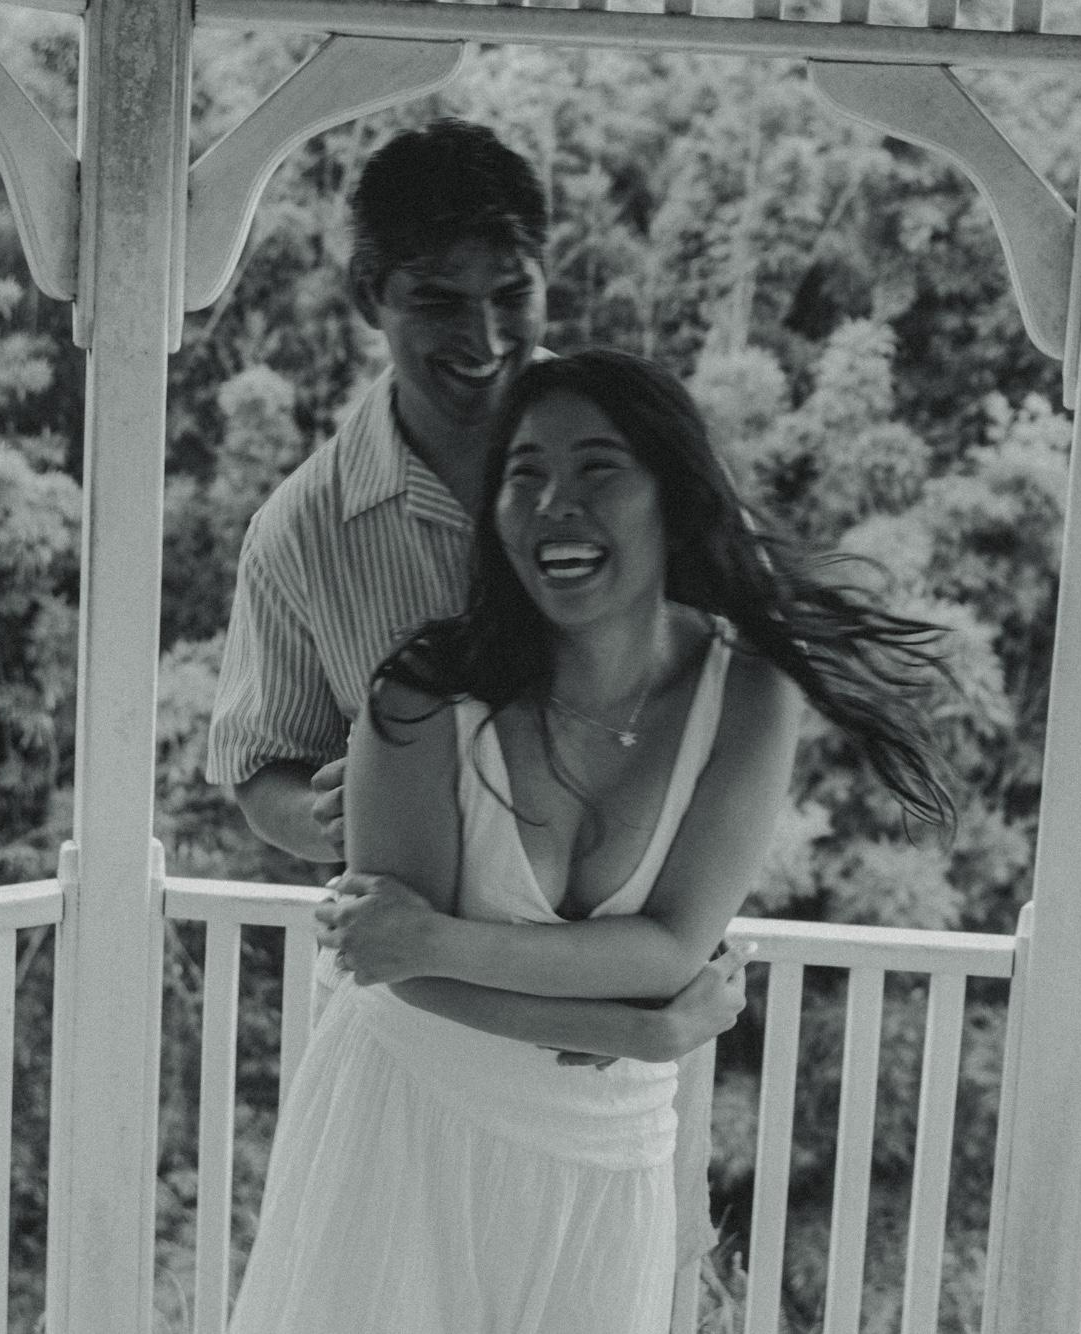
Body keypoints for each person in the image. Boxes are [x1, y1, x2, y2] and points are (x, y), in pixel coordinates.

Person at [225, 349, 954, 1334]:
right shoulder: (421, 694)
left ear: (672, 496)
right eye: (523, 473)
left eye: (598, 468)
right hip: (405, 1116)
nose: (552, 503)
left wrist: (441, 937)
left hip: (602, 1161)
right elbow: (393, 970)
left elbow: (667, 945)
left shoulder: (746, 692)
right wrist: (634, 1030)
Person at [206, 118, 731, 1311]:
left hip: (608, 1030)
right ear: (369, 295)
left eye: (511, 293)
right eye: (437, 300)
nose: (484, 339)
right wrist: (337, 809)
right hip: (415, 1033)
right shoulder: (303, 530)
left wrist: (675, 959)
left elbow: (708, 700)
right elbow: (255, 768)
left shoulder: (630, 463)